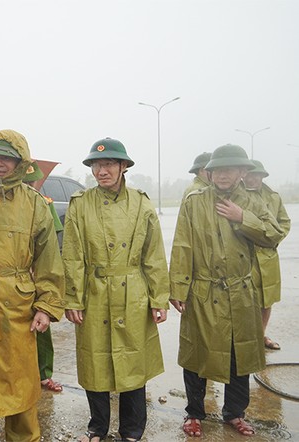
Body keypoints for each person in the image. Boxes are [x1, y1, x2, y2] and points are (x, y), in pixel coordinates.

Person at [169, 144, 285, 438]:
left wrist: (242, 217)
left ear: (242, 172)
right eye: (217, 169)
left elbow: (273, 235)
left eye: (229, 169)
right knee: (197, 354)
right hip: (203, 291)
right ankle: (194, 412)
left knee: (239, 355)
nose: (222, 175)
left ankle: (234, 412)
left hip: (241, 292)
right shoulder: (194, 201)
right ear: (209, 172)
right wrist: (179, 289)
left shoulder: (255, 201)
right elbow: (183, 244)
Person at [0, 130, 65, 442]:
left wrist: (46, 305)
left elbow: (49, 259)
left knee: (21, 380)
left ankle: (25, 438)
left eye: (6, 157)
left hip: (18, 303)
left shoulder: (34, 203)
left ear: (19, 162)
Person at [62, 137, 169, 442]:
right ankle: (97, 428)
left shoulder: (141, 203)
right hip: (94, 292)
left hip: (132, 292)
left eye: (109, 163)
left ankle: (132, 430)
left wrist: (158, 297)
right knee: (94, 360)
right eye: (96, 164)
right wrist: (74, 298)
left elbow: (154, 255)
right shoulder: (81, 205)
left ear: (123, 167)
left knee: (133, 361)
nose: (102, 170)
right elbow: (72, 255)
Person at [23, 161, 64, 393]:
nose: (29, 186)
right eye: (25, 182)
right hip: (15, 277)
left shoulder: (44, 204)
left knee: (42, 327)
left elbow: (52, 243)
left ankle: (44, 373)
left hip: (38, 274)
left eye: (32, 183)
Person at [243, 159, 291, 351]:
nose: (252, 178)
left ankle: (261, 335)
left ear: (263, 177)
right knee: (246, 300)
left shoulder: (274, 197)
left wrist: (273, 240)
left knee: (266, 299)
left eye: (256, 175)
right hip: (246, 256)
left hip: (268, 257)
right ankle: (246, 338)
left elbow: (284, 222)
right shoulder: (238, 195)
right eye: (249, 174)